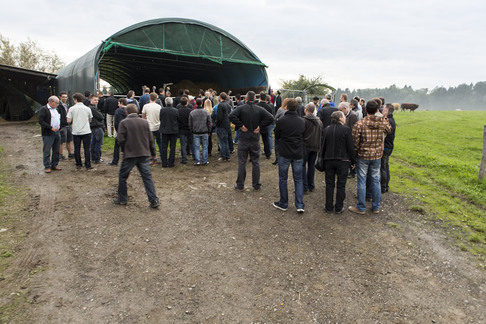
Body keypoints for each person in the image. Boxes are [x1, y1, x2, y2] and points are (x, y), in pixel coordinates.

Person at [349, 100, 392, 215]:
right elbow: (389, 129)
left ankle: (361, 207)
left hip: (363, 155)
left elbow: (355, 143)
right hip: (377, 155)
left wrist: (354, 156)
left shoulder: (359, 124)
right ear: (378, 110)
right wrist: (384, 118)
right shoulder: (383, 123)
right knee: (375, 180)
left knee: (361, 181)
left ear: (366, 110)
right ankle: (376, 206)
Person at [114, 104, 159, 208]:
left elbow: (120, 139)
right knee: (147, 178)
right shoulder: (145, 122)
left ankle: (122, 198)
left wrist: (123, 149)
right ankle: (154, 200)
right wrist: (154, 154)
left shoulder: (124, 123)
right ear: (137, 111)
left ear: (126, 112)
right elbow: (151, 140)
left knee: (122, 177)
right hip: (144, 154)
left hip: (129, 154)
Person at [229, 91, 274, 191]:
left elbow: (231, 116)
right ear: (255, 99)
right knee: (255, 162)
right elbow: (271, 117)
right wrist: (260, 126)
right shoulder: (259, 109)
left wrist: (240, 125)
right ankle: (256, 184)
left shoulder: (240, 108)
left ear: (246, 98)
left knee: (242, 162)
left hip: (243, 139)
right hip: (254, 138)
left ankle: (240, 185)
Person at [273, 98, 305, 213]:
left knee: (283, 178)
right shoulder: (302, 121)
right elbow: (304, 136)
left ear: (286, 107)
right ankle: (299, 204)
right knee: (298, 179)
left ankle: (283, 203)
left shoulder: (282, 121)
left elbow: (277, 135)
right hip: (297, 152)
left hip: (285, 152)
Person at [321, 111, 356, 213]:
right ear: (340, 118)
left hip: (328, 160)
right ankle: (339, 207)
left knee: (329, 184)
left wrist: (322, 159)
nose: (345, 118)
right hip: (343, 160)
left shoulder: (327, 129)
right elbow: (350, 147)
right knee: (341, 184)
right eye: (344, 116)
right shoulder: (346, 130)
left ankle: (328, 206)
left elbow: (323, 146)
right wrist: (353, 161)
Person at [67, 92, 93, 170]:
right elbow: (90, 120)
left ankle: (78, 164)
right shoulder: (87, 108)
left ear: (75, 99)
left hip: (76, 131)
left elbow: (68, 120)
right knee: (87, 148)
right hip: (86, 131)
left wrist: (73, 122)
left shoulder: (71, 109)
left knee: (77, 148)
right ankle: (88, 164)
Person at [302, 103, 323, 193]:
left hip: (305, 146)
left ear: (306, 110)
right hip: (315, 146)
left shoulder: (304, 120)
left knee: (302, 166)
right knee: (311, 166)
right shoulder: (319, 121)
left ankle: (304, 186)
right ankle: (311, 185)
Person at [38, 96, 62, 173]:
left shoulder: (56, 109)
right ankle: (47, 166)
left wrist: (60, 127)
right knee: (47, 150)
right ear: (51, 102)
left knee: (56, 149)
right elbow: (41, 121)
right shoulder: (44, 109)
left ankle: (54, 164)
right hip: (48, 133)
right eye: (56, 103)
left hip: (57, 132)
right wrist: (50, 127)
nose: (57, 104)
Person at [189, 98, 212, 166]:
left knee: (196, 147)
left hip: (196, 132)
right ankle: (204, 160)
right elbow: (209, 122)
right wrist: (209, 131)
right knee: (205, 146)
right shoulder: (206, 112)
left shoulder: (192, 113)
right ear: (202, 103)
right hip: (204, 131)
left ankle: (197, 161)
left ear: (196, 103)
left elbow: (190, 123)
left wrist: (191, 130)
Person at [142, 93, 162, 164]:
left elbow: (143, 117)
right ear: (156, 98)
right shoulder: (159, 107)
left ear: (149, 98)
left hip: (149, 127)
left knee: (151, 143)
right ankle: (162, 156)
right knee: (160, 142)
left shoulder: (146, 106)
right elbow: (160, 117)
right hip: (158, 126)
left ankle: (153, 157)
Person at [159, 97, 179, 167]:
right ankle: (171, 162)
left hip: (164, 130)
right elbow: (177, 120)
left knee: (164, 147)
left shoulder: (162, 110)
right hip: (173, 130)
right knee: (172, 147)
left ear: (165, 102)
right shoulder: (176, 111)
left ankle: (164, 162)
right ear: (172, 103)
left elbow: (160, 118)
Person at [381, 104, 396, 193]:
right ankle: (386, 185)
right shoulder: (391, 119)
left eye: (384, 109)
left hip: (386, 146)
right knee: (386, 166)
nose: (382, 110)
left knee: (383, 167)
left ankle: (383, 187)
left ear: (387, 111)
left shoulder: (388, 121)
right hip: (389, 145)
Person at [108, 98, 128, 166]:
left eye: (118, 103)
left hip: (120, 131)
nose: (118, 105)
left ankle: (115, 161)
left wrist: (117, 131)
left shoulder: (118, 111)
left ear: (121, 103)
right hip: (128, 131)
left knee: (117, 146)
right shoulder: (129, 110)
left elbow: (116, 122)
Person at [257, 91, 274, 159]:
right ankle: (268, 154)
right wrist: (266, 124)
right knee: (266, 140)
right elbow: (270, 118)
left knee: (256, 141)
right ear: (265, 98)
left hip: (257, 126)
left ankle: (255, 154)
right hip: (265, 126)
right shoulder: (269, 107)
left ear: (260, 98)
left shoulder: (256, 106)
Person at [215, 92, 232, 161]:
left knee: (222, 141)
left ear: (220, 98)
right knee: (226, 141)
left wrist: (216, 123)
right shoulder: (228, 105)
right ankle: (227, 155)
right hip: (227, 124)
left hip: (221, 125)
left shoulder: (220, 105)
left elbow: (219, 117)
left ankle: (223, 156)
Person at [88, 94, 105, 164]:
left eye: (97, 100)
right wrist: (102, 115)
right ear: (90, 100)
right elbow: (101, 117)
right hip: (97, 126)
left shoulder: (90, 108)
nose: (96, 101)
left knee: (94, 143)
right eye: (95, 100)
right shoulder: (93, 108)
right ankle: (97, 158)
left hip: (93, 127)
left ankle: (93, 157)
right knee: (98, 143)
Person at [57, 92, 73, 159]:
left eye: (66, 97)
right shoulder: (58, 106)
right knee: (61, 141)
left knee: (68, 140)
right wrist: (59, 126)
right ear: (60, 97)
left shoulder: (68, 105)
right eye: (63, 97)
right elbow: (57, 117)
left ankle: (70, 153)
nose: (65, 98)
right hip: (62, 125)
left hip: (68, 125)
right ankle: (60, 154)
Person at [177, 96, 193, 164]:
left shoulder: (178, 111)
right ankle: (195, 157)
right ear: (187, 103)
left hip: (181, 129)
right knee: (192, 143)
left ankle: (184, 159)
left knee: (183, 144)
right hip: (189, 129)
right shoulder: (190, 111)